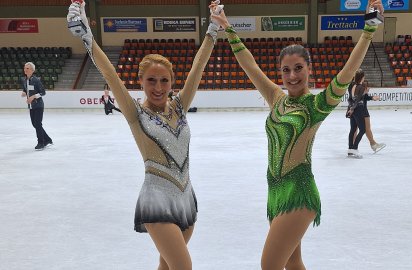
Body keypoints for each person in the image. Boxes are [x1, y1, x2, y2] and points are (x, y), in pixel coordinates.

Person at [211, 1, 383, 269]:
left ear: (309, 69)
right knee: (293, 264)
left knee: (270, 265)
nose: (292, 75)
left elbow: (348, 72)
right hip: (275, 191)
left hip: (299, 191)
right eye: (286, 70)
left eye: (298, 68)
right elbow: (250, 66)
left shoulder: (317, 105)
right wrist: (227, 27)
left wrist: (369, 30)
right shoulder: (276, 98)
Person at [67, 1, 220, 269]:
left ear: (172, 82)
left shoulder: (181, 106)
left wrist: (213, 29)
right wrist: (87, 37)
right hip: (156, 200)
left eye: (164, 80)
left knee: (167, 266)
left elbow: (198, 66)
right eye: (151, 80)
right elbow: (110, 74)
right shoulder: (135, 112)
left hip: (185, 199)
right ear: (141, 82)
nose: (158, 87)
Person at [21, 62, 53, 150]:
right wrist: (24, 93)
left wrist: (33, 96)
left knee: (38, 124)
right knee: (35, 124)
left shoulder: (36, 80)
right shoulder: (24, 80)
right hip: (31, 106)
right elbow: (25, 88)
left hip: (38, 105)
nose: (25, 70)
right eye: (24, 68)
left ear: (32, 70)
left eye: (27, 68)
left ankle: (41, 142)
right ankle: (48, 139)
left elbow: (43, 92)